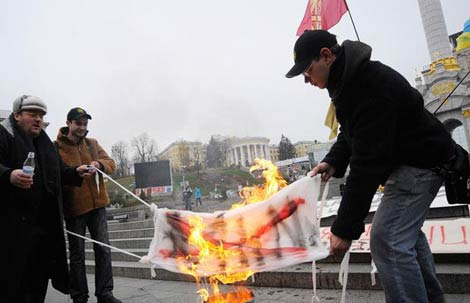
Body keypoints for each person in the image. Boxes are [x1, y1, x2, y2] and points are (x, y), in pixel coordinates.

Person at [286, 30, 456, 303]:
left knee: (387, 241)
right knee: (406, 238)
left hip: (420, 165)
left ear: (326, 56)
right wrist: (334, 160)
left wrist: (344, 228)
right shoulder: (349, 83)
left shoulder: (366, 85)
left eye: (307, 70)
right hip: (416, 162)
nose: (306, 79)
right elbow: (353, 131)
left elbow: (368, 162)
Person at [0, 95, 91, 303]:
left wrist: (75, 172)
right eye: (32, 114)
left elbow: (59, 172)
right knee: (13, 283)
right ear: (17, 115)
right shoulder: (4, 135)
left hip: (44, 229)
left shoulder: (46, 145)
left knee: (38, 280)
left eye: (41, 115)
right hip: (13, 229)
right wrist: (9, 175)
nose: (38, 119)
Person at [55, 107, 120, 303]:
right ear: (68, 123)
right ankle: (79, 296)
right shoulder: (56, 147)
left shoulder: (93, 144)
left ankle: (105, 293)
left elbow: (111, 164)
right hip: (75, 208)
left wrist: (100, 165)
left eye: (85, 124)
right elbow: (57, 174)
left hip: (98, 205)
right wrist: (75, 172)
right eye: (78, 123)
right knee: (77, 255)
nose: (82, 127)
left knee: (104, 249)